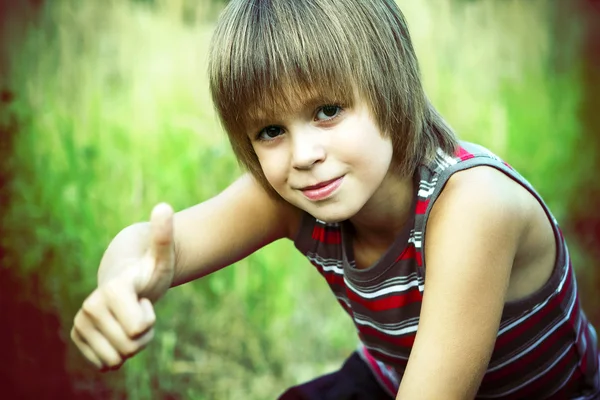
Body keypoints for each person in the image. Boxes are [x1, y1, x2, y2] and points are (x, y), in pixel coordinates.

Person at [70, 0, 600, 398]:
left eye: (327, 110)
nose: (302, 154)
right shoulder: (293, 194)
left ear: (392, 83)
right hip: (393, 378)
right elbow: (155, 245)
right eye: (270, 130)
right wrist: (120, 281)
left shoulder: (472, 205)